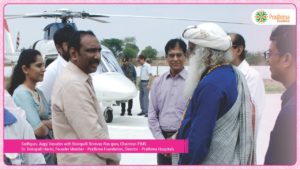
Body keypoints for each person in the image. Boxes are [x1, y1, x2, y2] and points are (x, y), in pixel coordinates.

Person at [176, 23, 254, 164]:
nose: (189, 55)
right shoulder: (229, 74)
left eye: (192, 49)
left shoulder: (211, 85)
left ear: (206, 53)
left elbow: (199, 142)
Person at [51, 30, 120, 165]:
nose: (97, 56)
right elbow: (93, 135)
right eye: (91, 51)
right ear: (73, 54)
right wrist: (115, 155)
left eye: (98, 51)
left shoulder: (79, 78)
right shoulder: (73, 84)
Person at [8, 49, 56, 164]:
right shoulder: (22, 94)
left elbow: (53, 120)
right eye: (39, 66)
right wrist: (46, 123)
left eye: (44, 65)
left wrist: (44, 123)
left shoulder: (39, 92)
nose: (44, 69)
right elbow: (39, 130)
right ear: (25, 69)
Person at [148, 38, 188, 165]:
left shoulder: (195, 83)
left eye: (179, 55)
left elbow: (195, 117)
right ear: (166, 57)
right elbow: (152, 114)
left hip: (184, 140)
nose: (175, 59)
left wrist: (176, 139)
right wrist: (161, 141)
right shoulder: (158, 82)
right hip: (162, 139)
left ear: (185, 56)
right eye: (171, 55)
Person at [229, 33, 266, 163]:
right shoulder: (227, 73)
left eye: (225, 48)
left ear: (238, 50)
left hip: (242, 144)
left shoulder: (252, 76)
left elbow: (252, 115)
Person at [264, 25, 296, 165]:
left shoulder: (210, 86)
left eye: (270, 54)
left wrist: (185, 151)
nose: (268, 60)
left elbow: (198, 141)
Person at [37, 25, 76, 105]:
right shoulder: (52, 71)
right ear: (58, 48)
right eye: (68, 45)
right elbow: (41, 102)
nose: (73, 48)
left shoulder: (80, 67)